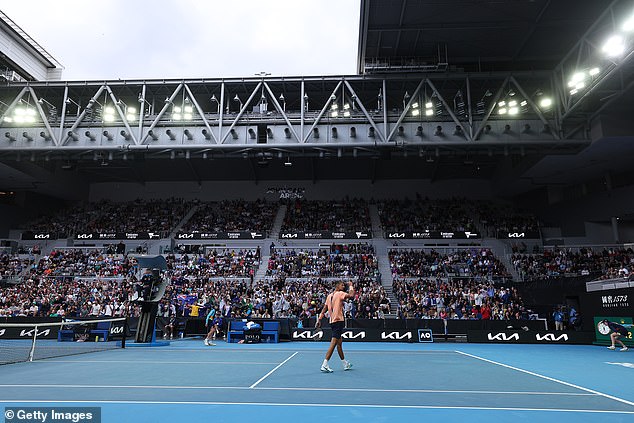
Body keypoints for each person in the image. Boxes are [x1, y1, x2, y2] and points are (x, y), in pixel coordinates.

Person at [316, 280, 355, 373]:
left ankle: (345, 363)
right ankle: (324, 364)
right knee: (333, 344)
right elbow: (351, 295)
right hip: (338, 322)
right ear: (337, 286)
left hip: (332, 322)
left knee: (339, 344)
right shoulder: (340, 293)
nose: (343, 286)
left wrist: (320, 319)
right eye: (342, 285)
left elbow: (324, 309)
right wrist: (351, 286)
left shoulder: (329, 296)